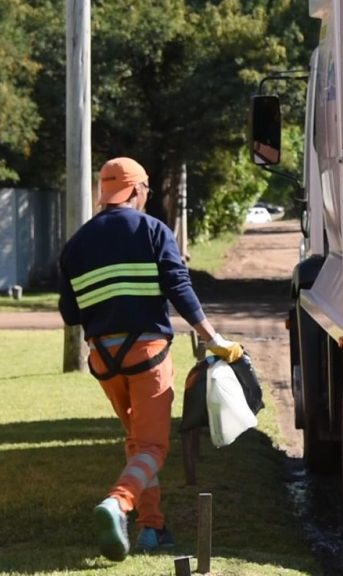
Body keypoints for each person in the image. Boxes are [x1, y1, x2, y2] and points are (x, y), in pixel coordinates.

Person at [58, 157, 243, 561]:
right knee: (154, 446)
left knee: (138, 443)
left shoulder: (77, 244)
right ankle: (119, 504)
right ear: (137, 190)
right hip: (148, 356)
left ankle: (151, 527)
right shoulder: (154, 230)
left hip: (105, 361)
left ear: (106, 193)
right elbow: (179, 288)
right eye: (145, 190)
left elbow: (71, 314)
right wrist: (212, 339)